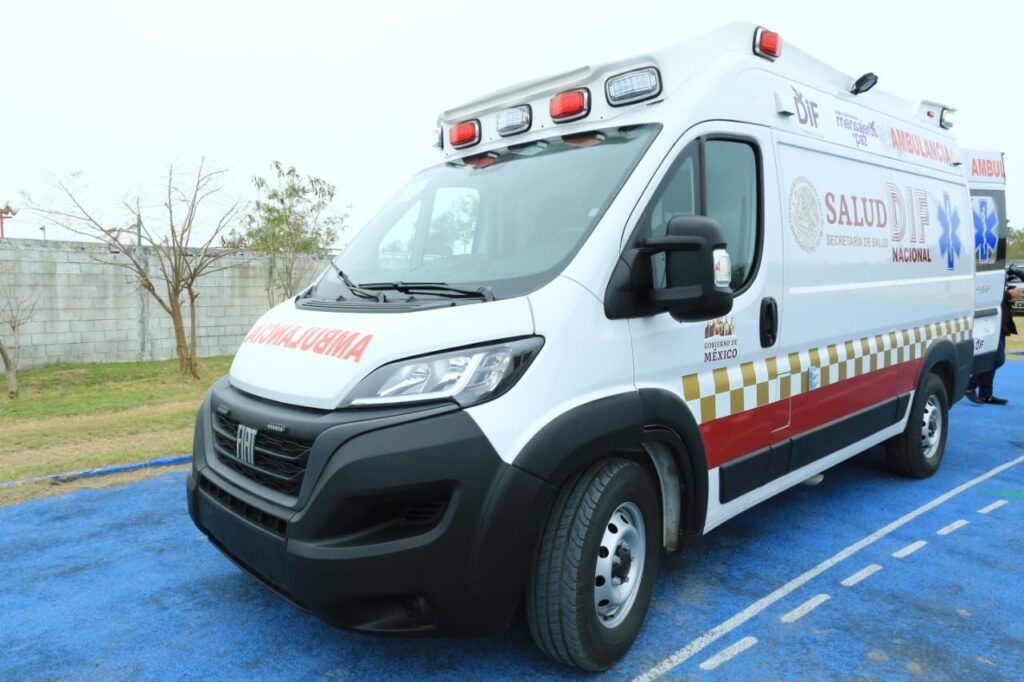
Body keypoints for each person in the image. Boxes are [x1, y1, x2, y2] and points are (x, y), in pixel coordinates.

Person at [966, 285, 1021, 405]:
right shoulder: (983, 274)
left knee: (991, 358)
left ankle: (986, 395)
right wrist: (1008, 294)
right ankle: (969, 385)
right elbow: (984, 292)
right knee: (997, 359)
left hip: (1000, 322)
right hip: (989, 322)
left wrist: (1008, 294)